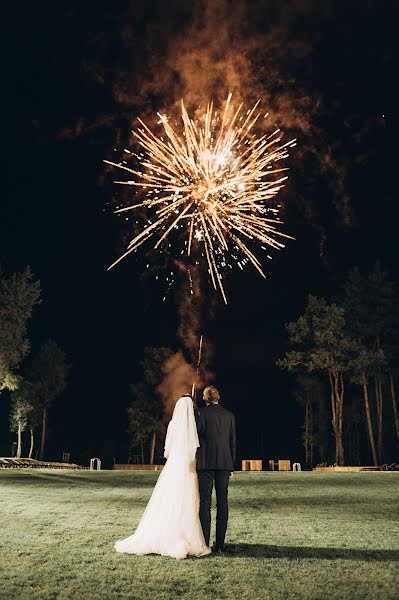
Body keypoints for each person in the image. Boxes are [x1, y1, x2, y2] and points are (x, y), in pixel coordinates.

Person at [114, 394, 211, 560]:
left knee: (169, 499)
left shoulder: (173, 425)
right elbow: (196, 448)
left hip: (174, 467)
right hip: (189, 469)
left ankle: (166, 533)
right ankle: (187, 536)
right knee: (188, 502)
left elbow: (167, 451)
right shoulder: (193, 426)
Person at [196, 385, 236, 553]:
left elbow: (196, 437)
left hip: (205, 463)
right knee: (222, 503)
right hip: (224, 463)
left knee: (205, 503)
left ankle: (205, 542)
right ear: (218, 397)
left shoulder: (201, 414)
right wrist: (231, 465)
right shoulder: (229, 415)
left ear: (205, 399)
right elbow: (232, 443)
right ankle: (220, 545)